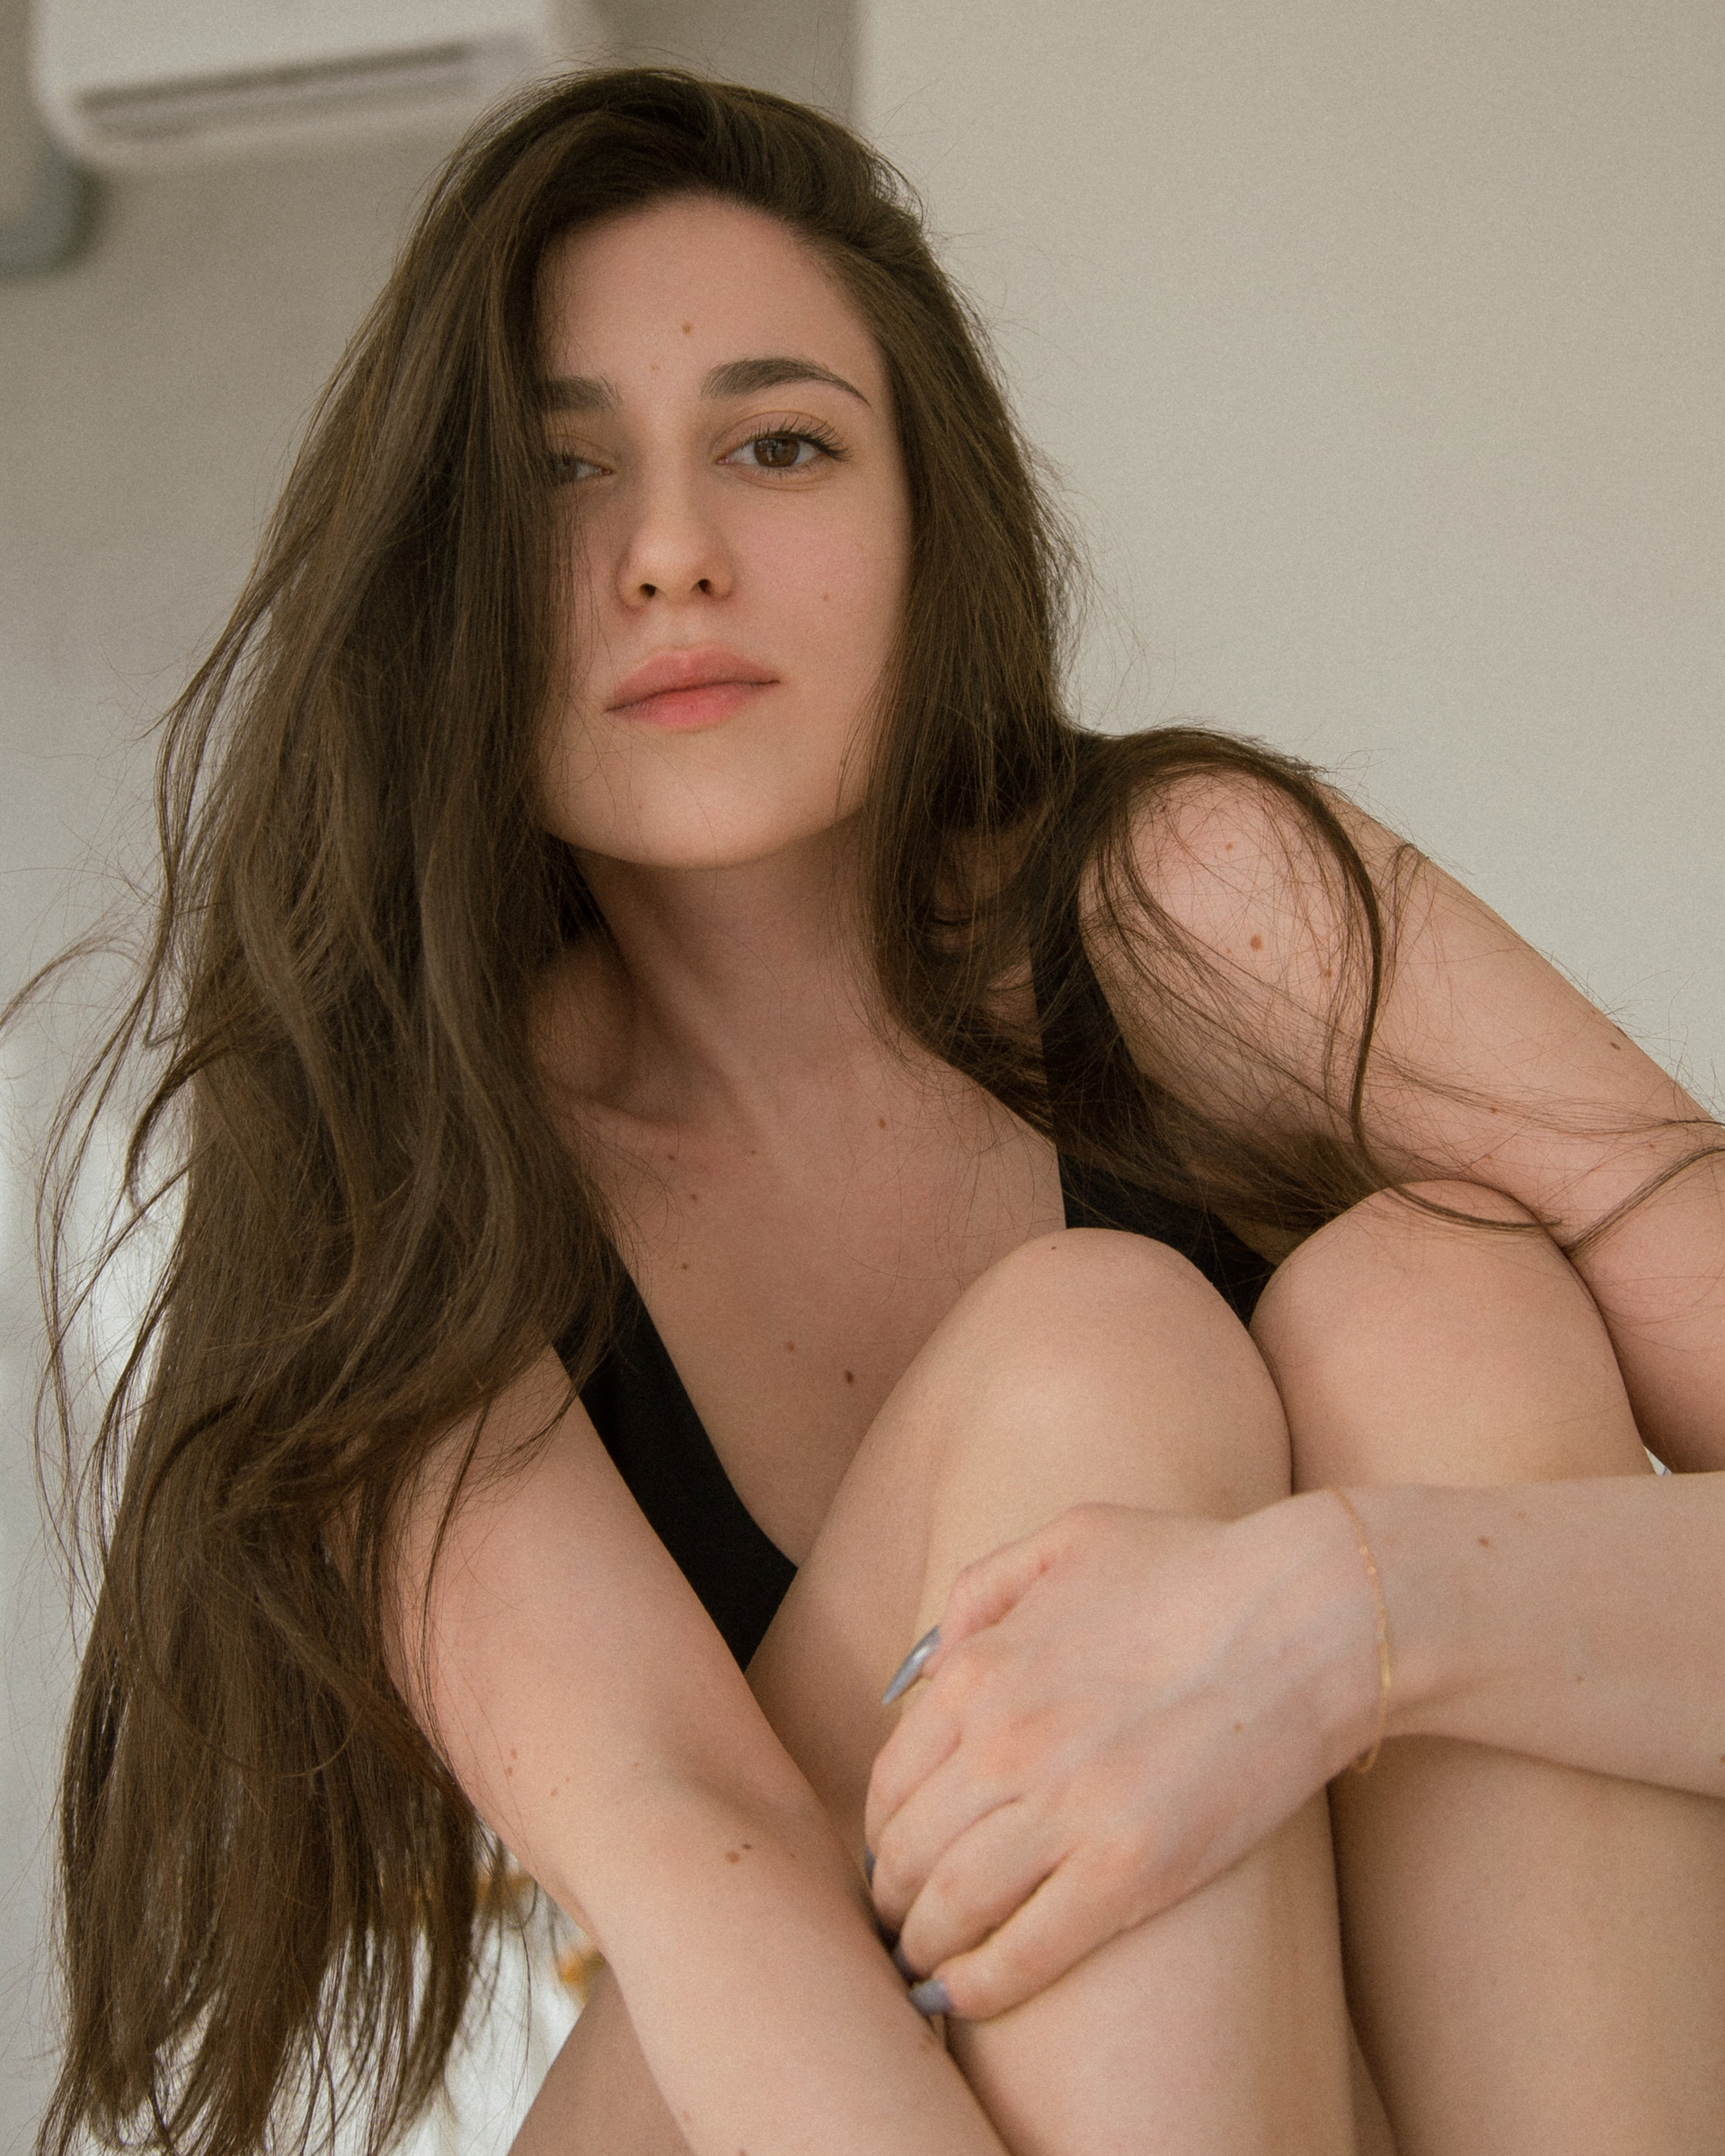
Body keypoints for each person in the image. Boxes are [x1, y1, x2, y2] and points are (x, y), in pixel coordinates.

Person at [26, 67, 1725, 2156]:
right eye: (558, 474)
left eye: (780, 445)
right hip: (769, 2084)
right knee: (1097, 1352)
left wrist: (1344, 1619)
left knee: (1442, 1304)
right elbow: (696, 1858)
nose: (671, 556)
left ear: (933, 519)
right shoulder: (406, 1154)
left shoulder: (1202, 904)